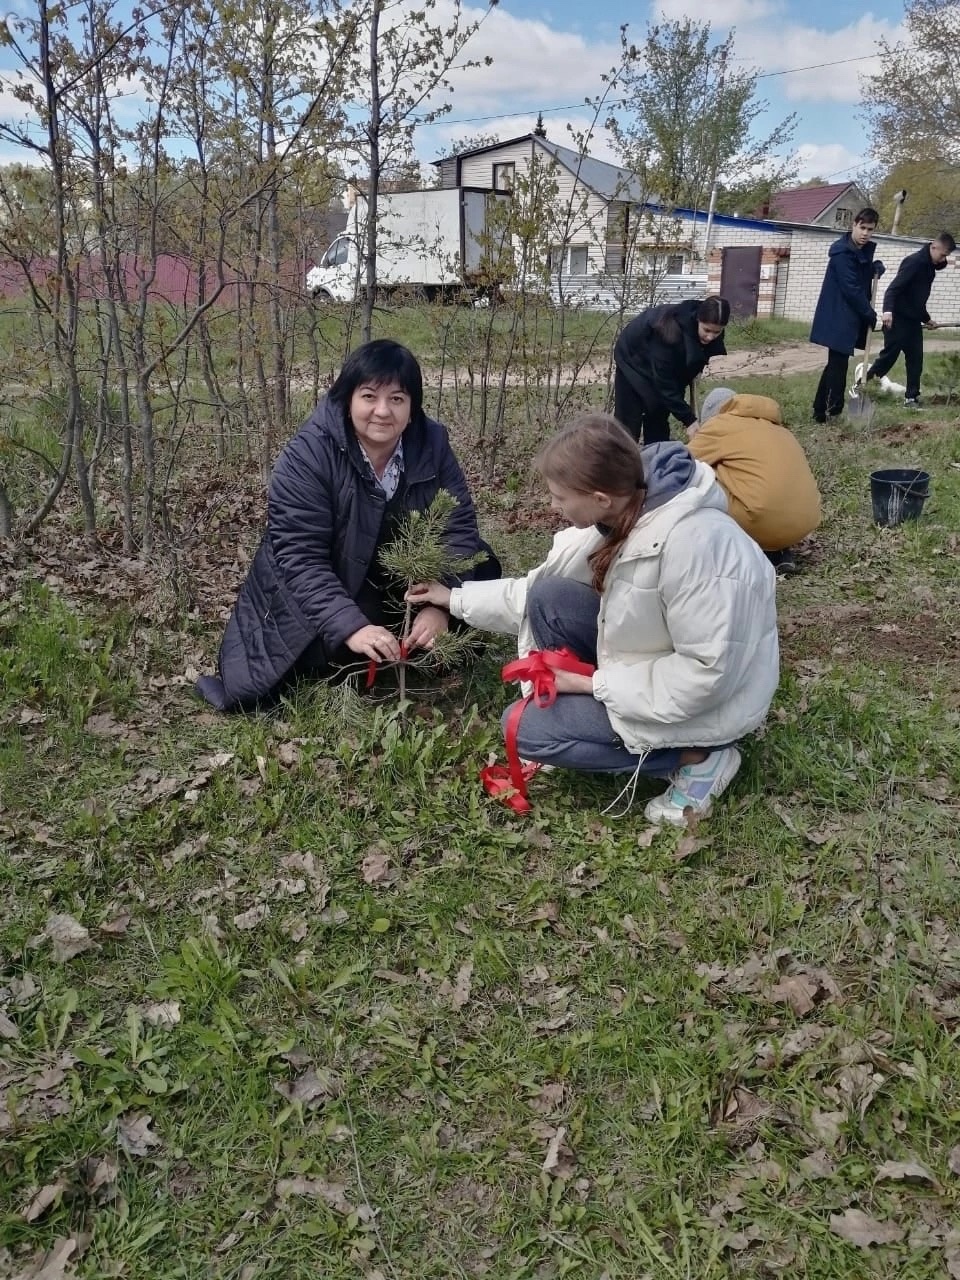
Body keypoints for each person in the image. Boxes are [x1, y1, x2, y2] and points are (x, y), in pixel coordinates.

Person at [407, 414, 779, 826]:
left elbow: (707, 675)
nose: (553, 506)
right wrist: (452, 597)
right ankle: (591, 725)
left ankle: (700, 757)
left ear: (600, 496)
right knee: (550, 598)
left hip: (709, 707)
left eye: (560, 498)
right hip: (651, 670)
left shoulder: (698, 549)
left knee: (527, 730)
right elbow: (533, 593)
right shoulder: (624, 511)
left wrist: (591, 685)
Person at [197, 339, 499, 712]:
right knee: (321, 651)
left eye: (398, 399)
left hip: (403, 579)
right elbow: (299, 558)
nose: (382, 412)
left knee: (485, 565)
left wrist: (443, 603)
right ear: (348, 398)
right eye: (369, 396)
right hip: (335, 579)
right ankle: (364, 650)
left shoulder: (431, 444)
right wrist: (351, 627)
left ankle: (418, 647)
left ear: (413, 408)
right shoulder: (308, 454)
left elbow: (459, 529)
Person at [687, 387, 821, 576]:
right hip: (804, 522)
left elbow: (683, 464)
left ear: (711, 415)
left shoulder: (719, 425)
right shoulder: (779, 429)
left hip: (760, 519)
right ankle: (778, 551)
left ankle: (730, 551)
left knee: (702, 475)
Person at [613, 295, 731, 445]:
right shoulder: (668, 332)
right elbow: (665, 384)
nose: (710, 337)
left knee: (659, 415)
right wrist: (689, 420)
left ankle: (658, 458)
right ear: (697, 320)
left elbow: (681, 377)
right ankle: (622, 461)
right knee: (628, 422)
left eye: (717, 332)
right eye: (707, 330)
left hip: (662, 364)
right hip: (632, 360)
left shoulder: (712, 325)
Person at [863, 231, 956, 408]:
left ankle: (911, 398)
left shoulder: (928, 266)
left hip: (913, 322)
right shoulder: (914, 262)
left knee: (915, 360)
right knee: (888, 358)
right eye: (943, 255)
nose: (943, 259)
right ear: (934, 246)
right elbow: (893, 289)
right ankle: (862, 387)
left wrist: (927, 319)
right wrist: (888, 311)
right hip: (897, 320)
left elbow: (916, 299)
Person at [810, 207, 885, 423]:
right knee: (838, 366)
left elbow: (860, 272)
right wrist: (868, 313)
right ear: (854, 224)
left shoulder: (857, 251)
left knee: (835, 364)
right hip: (837, 316)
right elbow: (851, 287)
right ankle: (833, 412)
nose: (865, 234)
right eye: (862, 228)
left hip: (846, 316)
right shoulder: (842, 253)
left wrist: (874, 269)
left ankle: (819, 411)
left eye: (870, 230)